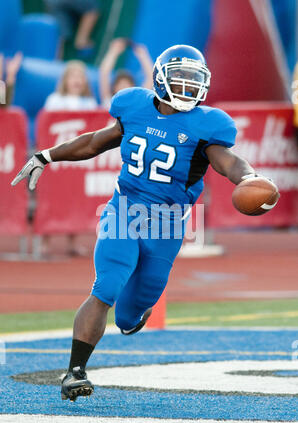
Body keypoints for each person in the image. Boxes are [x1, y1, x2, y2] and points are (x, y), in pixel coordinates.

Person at [11, 45, 277, 402]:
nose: (187, 87)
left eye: (194, 80)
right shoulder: (134, 106)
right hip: (124, 211)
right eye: (180, 79)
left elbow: (229, 162)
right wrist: (47, 155)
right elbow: (95, 142)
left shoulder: (205, 124)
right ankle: (75, 371)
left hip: (167, 225)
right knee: (106, 286)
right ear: (160, 78)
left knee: (130, 315)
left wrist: (249, 178)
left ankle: (137, 309)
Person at [43, 60, 98, 257]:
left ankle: (72, 241)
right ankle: (46, 243)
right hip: (58, 161)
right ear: (65, 80)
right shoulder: (54, 100)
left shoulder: (90, 104)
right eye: (73, 76)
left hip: (78, 162)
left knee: (74, 198)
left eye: (80, 77)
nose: (77, 81)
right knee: (52, 197)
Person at [99, 37, 153, 109]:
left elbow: (151, 78)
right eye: (120, 84)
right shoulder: (109, 102)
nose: (123, 87)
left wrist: (143, 56)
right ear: (114, 88)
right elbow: (104, 74)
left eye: (127, 84)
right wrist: (113, 52)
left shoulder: (138, 103)